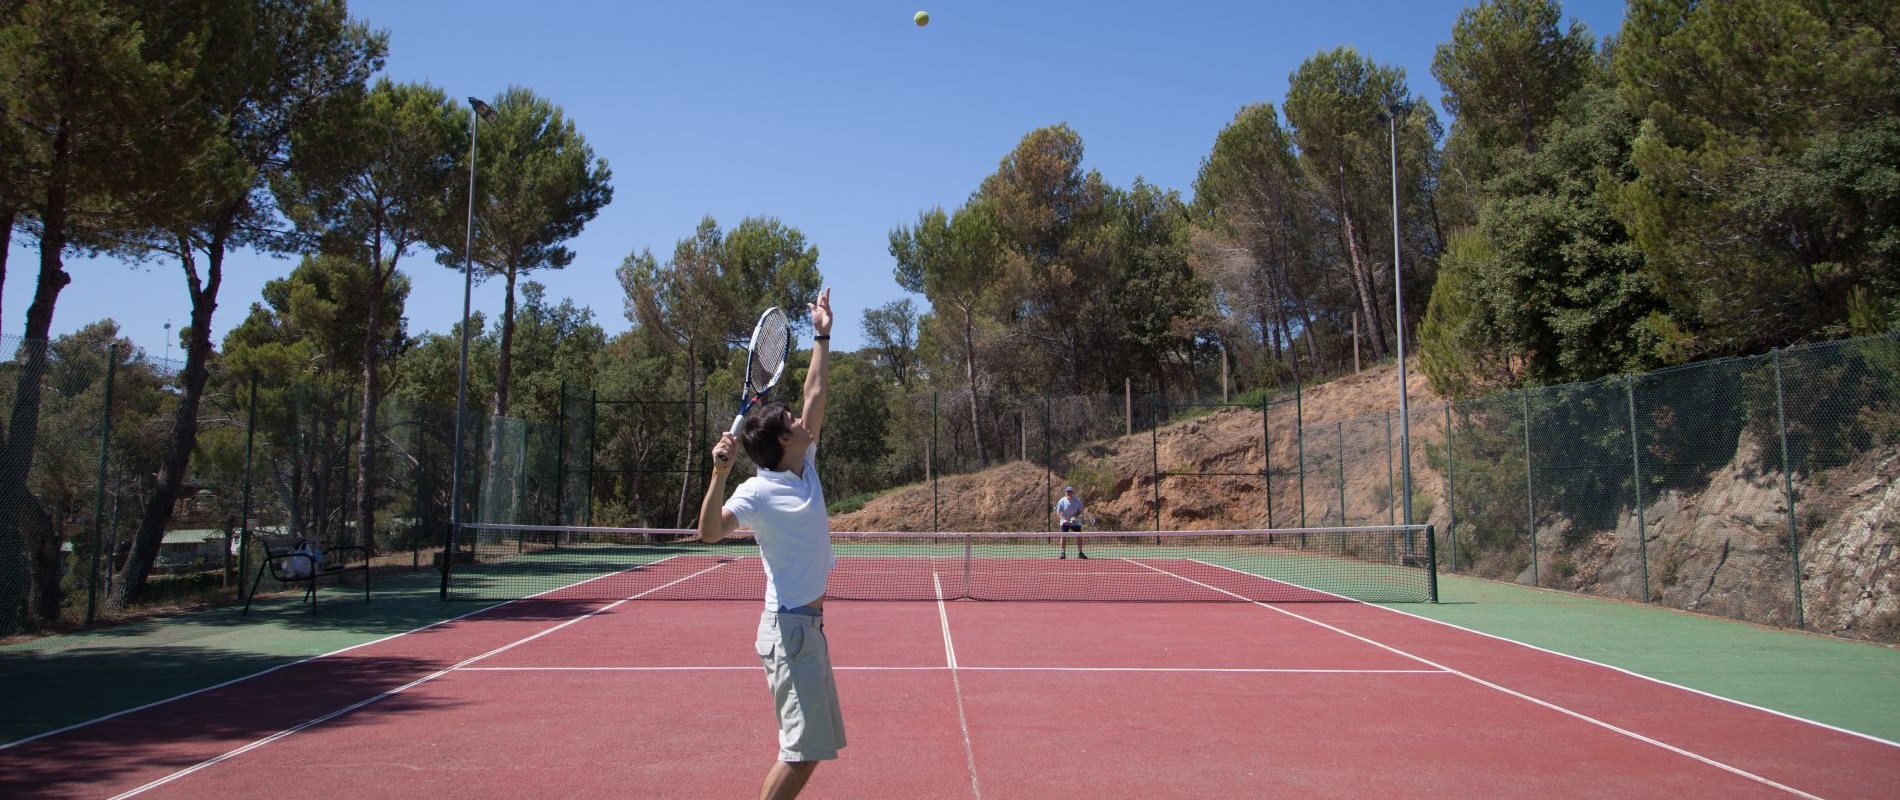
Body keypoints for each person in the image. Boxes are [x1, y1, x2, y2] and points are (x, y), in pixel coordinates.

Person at [697, 287, 842, 800]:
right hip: (789, 630)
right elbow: (710, 532)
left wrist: (821, 333)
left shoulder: (805, 467)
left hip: (807, 630)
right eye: (793, 422)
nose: (803, 421)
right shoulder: (756, 490)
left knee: (812, 751)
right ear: (784, 438)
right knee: (800, 754)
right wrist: (718, 474)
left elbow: (815, 393)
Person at [1056, 485, 1087, 559]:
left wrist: (1075, 517)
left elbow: (1080, 511)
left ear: (1072, 492)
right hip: (1064, 523)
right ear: (1065, 493)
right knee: (1063, 537)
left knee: (1079, 537)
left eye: (1070, 492)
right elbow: (1058, 512)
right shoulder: (1062, 501)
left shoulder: (1077, 501)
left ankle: (1080, 553)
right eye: (1067, 492)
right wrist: (1063, 520)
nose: (1069, 493)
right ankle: (1063, 553)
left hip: (1075, 523)